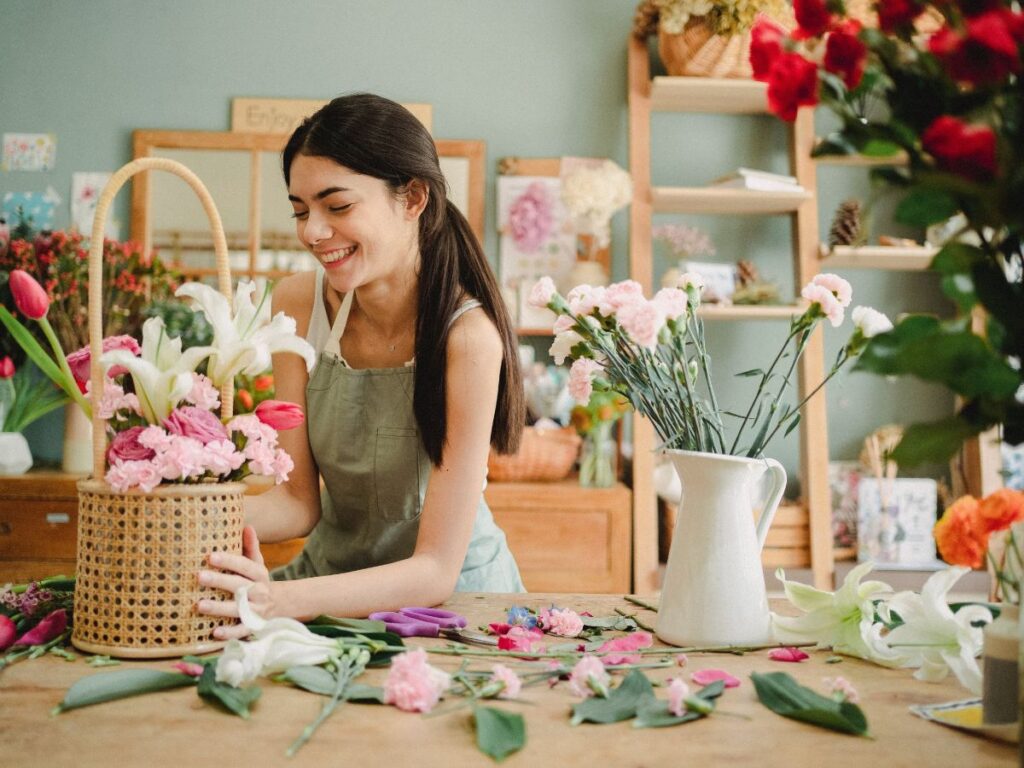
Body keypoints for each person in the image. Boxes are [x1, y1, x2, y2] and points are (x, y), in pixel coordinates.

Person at [197, 93, 526, 638]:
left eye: (338, 206)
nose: (313, 232)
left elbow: (435, 571)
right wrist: (187, 519)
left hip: (449, 610)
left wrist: (276, 599)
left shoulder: (467, 339)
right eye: (301, 210)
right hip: (326, 588)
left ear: (414, 197)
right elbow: (299, 503)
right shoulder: (299, 305)